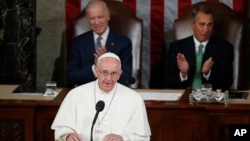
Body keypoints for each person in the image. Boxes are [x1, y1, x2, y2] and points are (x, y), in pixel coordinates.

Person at [51, 52, 151, 141]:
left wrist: (123, 139)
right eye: (104, 72)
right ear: (96, 71)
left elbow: (143, 137)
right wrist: (67, 136)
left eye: (114, 73)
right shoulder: (76, 94)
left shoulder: (134, 99)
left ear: (120, 74)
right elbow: (61, 128)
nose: (109, 79)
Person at [163, 4, 234, 90]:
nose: (206, 29)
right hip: (184, 99)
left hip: (210, 100)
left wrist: (208, 73)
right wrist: (183, 74)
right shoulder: (177, 47)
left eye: (210, 24)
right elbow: (167, 82)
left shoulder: (225, 48)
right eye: (202, 24)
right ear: (192, 24)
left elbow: (227, 83)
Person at [67, 0, 133, 87]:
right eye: (92, 18)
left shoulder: (123, 42)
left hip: (114, 93)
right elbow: (71, 77)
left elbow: (126, 77)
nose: (97, 22)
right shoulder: (79, 42)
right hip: (86, 93)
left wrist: (106, 65)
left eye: (100, 17)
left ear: (108, 16)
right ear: (87, 20)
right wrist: (95, 69)